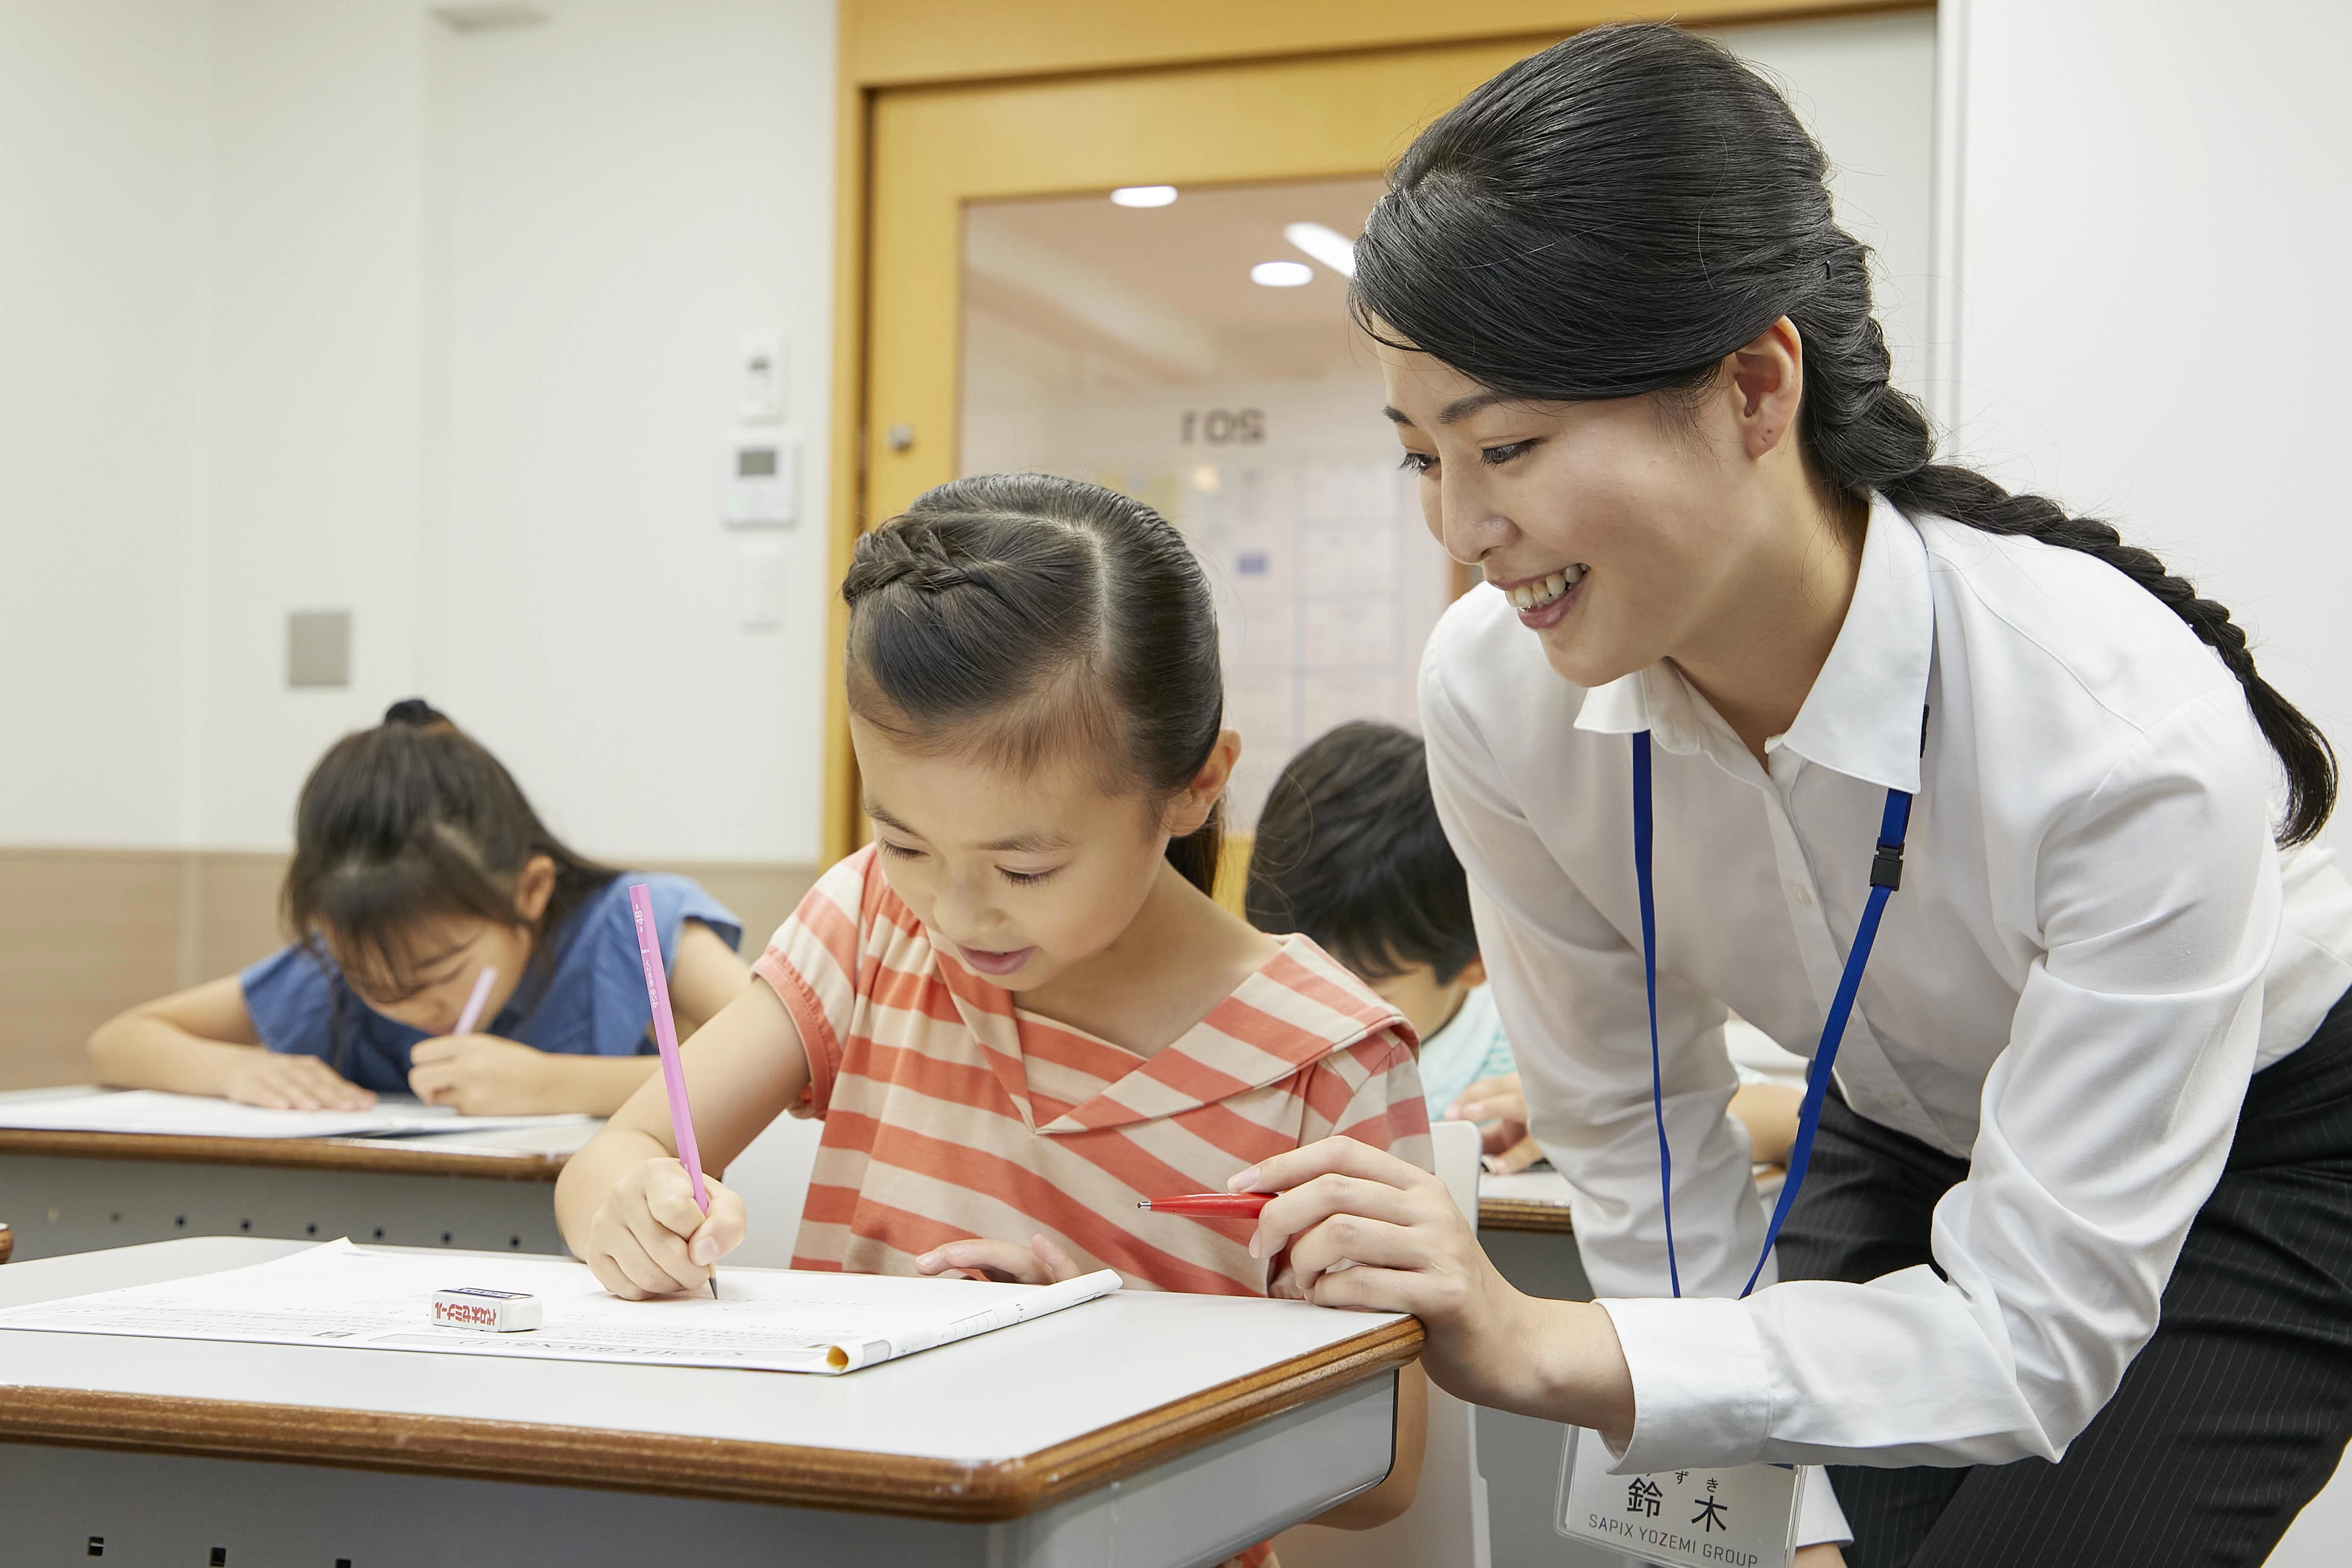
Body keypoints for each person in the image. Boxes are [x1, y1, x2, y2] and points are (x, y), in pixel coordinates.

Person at [1235, 22, 2352, 1568]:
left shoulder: (2118, 736)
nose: (1467, 524)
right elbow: (1633, 1140)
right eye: (1422, 455)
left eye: (1508, 444)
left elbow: (2034, 1337)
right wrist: (1758, 1521)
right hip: (1894, 1111)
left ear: (1756, 386)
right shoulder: (1494, 693)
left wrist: (1545, 1345)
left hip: (2270, 1131)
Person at [554, 475, 1433, 1555]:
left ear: (1195, 784)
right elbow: (626, 1147)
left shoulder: (1324, 1057)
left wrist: (1106, 1362)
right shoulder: (869, 923)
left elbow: (1379, 1467)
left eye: (1025, 865)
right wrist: (633, 1211)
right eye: (910, 843)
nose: (957, 911)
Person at [88, 700, 748, 1116]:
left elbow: (792, 1064)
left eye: (436, 972)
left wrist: (556, 1086)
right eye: (372, 980)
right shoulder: (341, 973)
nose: (407, 1002)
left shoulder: (635, 925)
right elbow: (118, 1042)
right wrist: (238, 1069)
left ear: (530, 891)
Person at [1245, 719, 1805, 1175]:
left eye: (1358, 986)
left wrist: (1584, 1122)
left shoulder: (1539, 1038)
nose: (1316, 1013)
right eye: (1290, 973)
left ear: (1472, 962)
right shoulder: (1244, 1033)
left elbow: (1793, 1121)